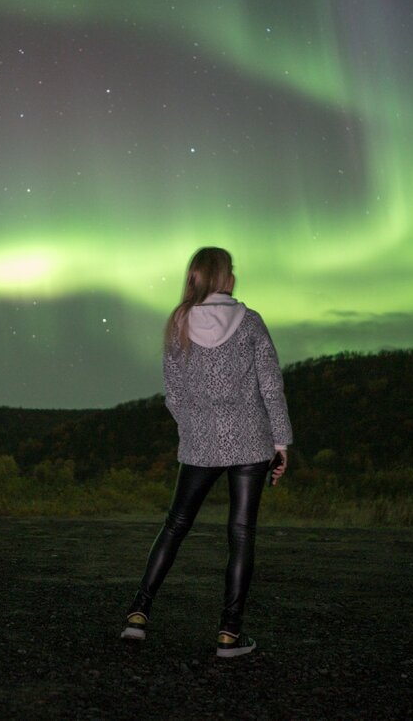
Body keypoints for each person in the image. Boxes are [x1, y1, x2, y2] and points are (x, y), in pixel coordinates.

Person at [121, 246, 293, 657]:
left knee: (175, 525)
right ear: (225, 279)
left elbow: (174, 395)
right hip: (251, 440)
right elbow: (270, 386)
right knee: (241, 535)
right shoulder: (250, 322)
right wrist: (281, 442)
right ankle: (229, 635)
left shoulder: (178, 322)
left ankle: (138, 615)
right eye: (231, 271)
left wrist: (196, 428)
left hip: (199, 441)